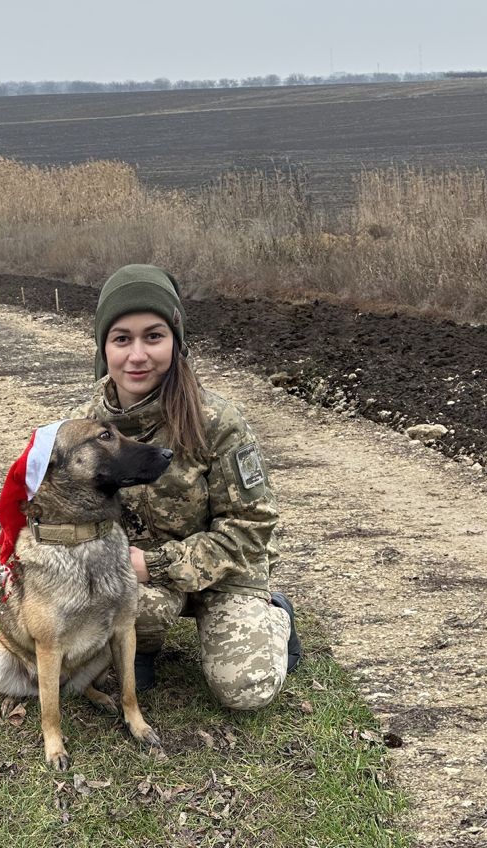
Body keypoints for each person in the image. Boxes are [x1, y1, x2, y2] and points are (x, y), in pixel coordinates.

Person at [70, 263, 301, 711]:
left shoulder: (216, 422)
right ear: (104, 348)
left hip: (223, 570)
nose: (137, 355)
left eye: (153, 336)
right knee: (96, 659)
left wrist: (155, 564)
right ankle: (145, 648)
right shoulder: (82, 427)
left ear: (176, 341)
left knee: (245, 690)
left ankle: (277, 614)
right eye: (122, 339)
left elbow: (252, 527)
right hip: (139, 575)